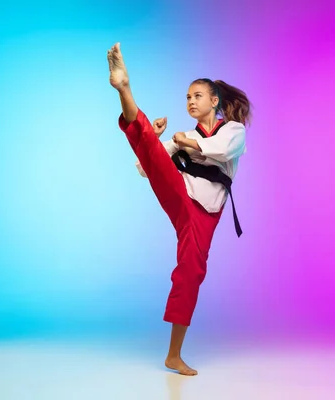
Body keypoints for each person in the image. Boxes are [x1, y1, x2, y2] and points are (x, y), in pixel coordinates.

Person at [106, 42, 251, 376]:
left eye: (197, 96)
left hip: (205, 213)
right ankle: (123, 87)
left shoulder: (234, 130)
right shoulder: (182, 135)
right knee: (151, 149)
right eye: (187, 96)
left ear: (214, 101)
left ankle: (174, 355)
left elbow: (220, 149)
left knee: (191, 273)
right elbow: (147, 168)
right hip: (179, 193)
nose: (190, 101)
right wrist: (156, 141)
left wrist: (187, 143)